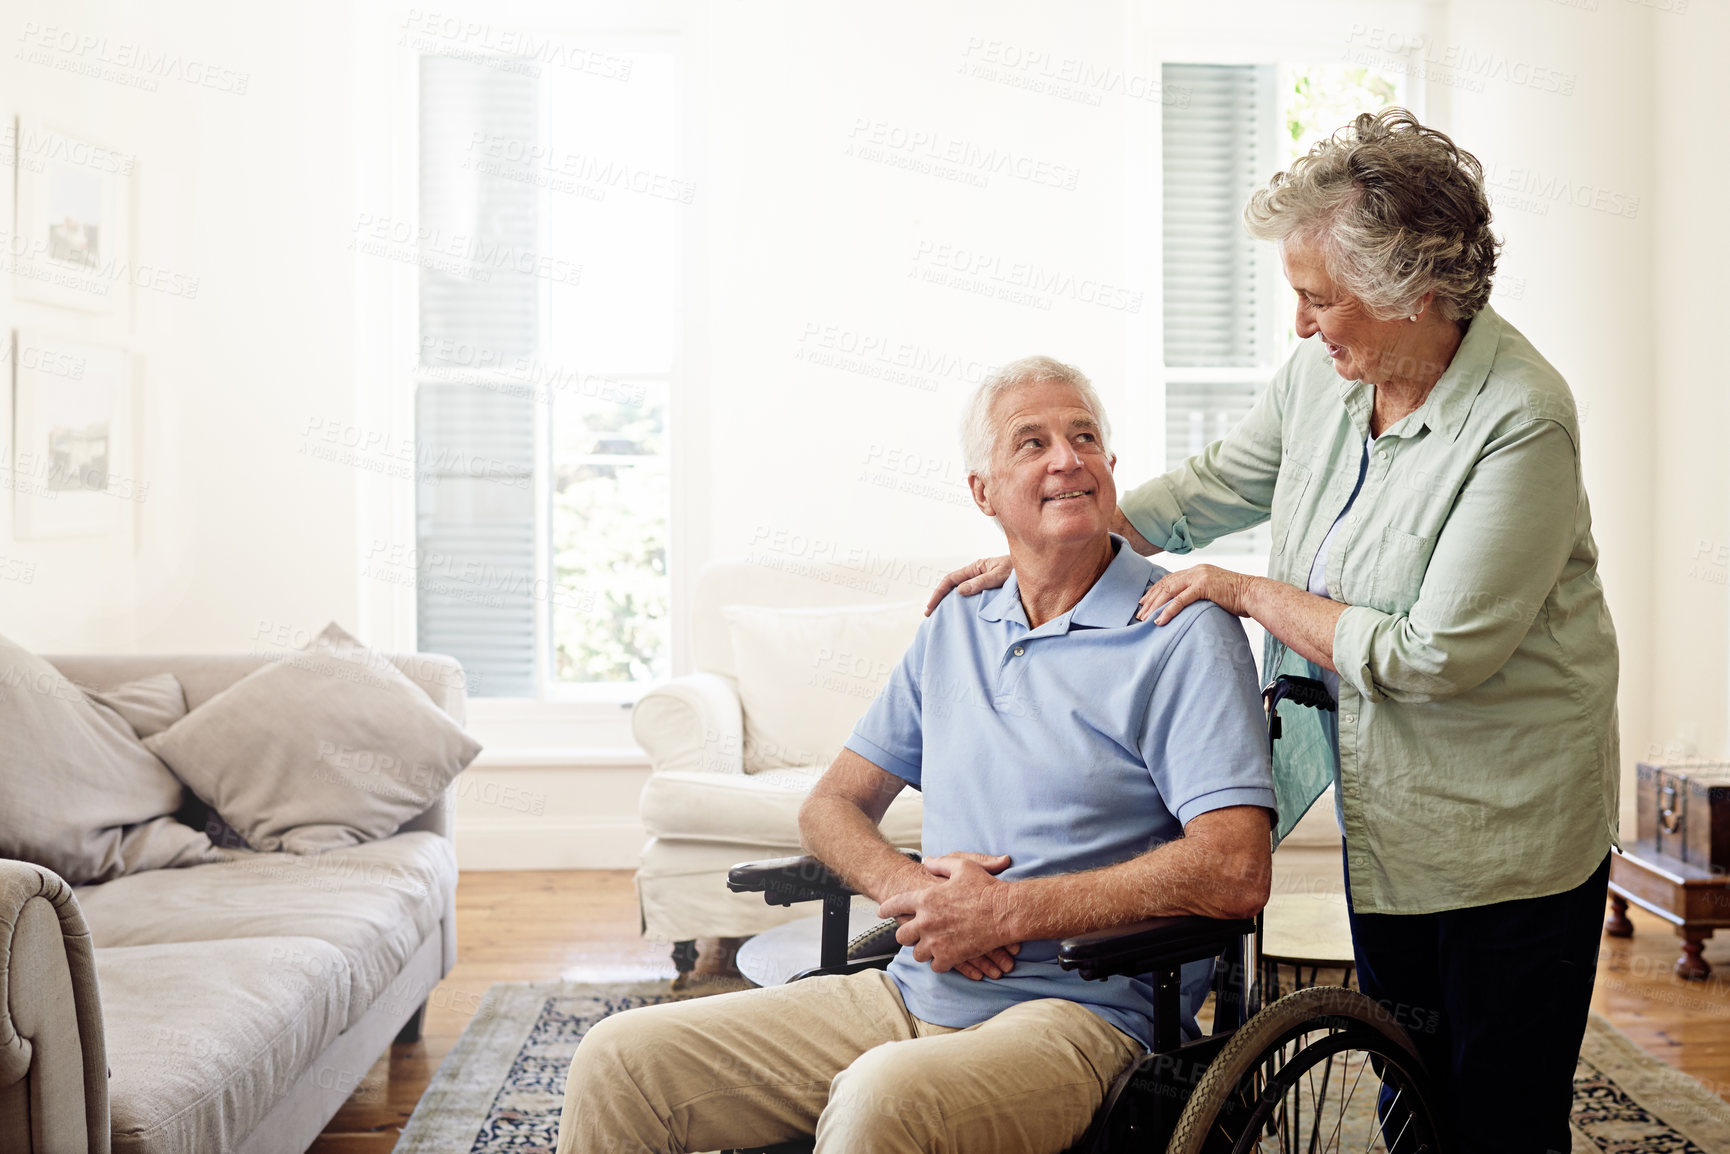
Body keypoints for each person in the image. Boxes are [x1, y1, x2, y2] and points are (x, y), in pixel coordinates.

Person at [931, 108, 1619, 1153]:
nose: (1299, 325)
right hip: (1387, 808)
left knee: (1499, 1110)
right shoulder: (1327, 376)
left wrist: (1245, 592)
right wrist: (1060, 537)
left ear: (1412, 294)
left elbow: (1431, 655)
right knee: (1410, 1082)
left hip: (1508, 827)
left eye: (1316, 298)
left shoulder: (1519, 420)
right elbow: (1215, 484)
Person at [555, 356, 1277, 1154]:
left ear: (1110, 467)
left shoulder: (1180, 631)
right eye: (1031, 443)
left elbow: (1235, 870)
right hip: (909, 991)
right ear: (983, 491)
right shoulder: (959, 623)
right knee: (618, 1061)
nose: (1067, 458)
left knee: (881, 1094)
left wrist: (1007, 911)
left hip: (1081, 1019)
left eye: (1085, 438)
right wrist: (912, 892)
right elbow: (828, 807)